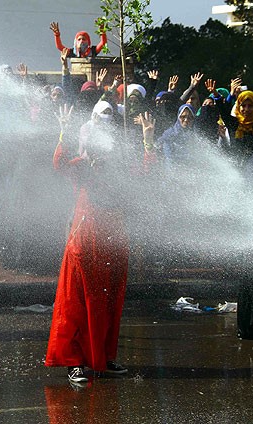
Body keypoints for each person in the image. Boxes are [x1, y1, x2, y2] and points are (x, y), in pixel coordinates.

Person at [45, 101, 155, 383]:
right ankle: (75, 362)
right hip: (84, 242)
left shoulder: (119, 170)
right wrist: (64, 132)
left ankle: (104, 356)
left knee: (108, 301)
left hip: (112, 241)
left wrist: (148, 141)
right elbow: (58, 164)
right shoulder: (81, 167)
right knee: (76, 302)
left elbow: (144, 175)